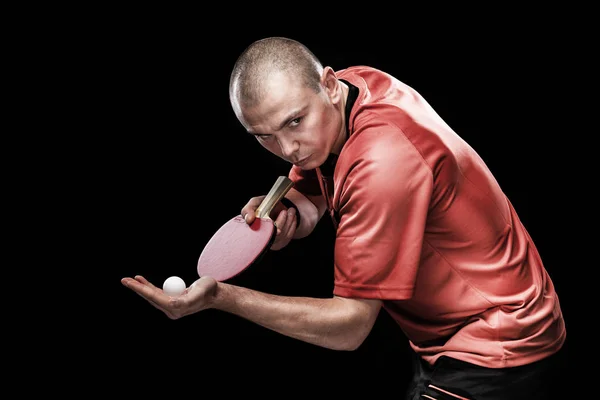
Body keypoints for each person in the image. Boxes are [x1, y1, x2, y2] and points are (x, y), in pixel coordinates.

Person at [121, 37, 567, 399]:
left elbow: (349, 327)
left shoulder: (383, 160)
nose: (289, 149)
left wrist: (222, 298)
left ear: (328, 85)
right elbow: (320, 184)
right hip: (452, 333)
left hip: (500, 343)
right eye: (265, 137)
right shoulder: (356, 90)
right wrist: (295, 207)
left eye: (295, 122)